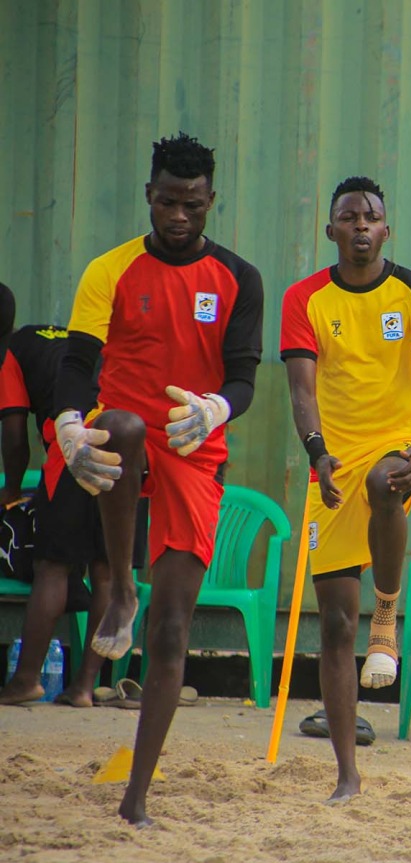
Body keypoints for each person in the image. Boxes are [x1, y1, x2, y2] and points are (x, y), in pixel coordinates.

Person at [53, 132, 263, 825]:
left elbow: (243, 376)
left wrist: (216, 408)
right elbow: (77, 363)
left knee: (172, 630)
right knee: (122, 423)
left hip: (193, 442)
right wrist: (67, 423)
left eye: (192, 205)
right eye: (168, 202)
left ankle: (136, 796)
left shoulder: (238, 277)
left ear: (211, 202)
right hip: (122, 436)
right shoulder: (110, 269)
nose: (178, 216)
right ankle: (120, 585)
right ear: (149, 194)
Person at [280, 176, 411, 803]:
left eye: (370, 216)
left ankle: (386, 613)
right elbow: (302, 390)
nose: (360, 225)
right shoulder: (304, 298)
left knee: (386, 482)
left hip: (400, 444)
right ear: (331, 230)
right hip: (332, 460)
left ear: (386, 230)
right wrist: (316, 452)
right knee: (332, 624)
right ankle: (347, 774)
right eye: (348, 217)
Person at [0, 283, 112, 707]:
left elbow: (14, 436)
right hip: (124, 444)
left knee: (52, 567)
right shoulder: (50, 338)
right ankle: (83, 687)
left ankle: (26, 680)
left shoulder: (10, 353)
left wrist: (11, 489)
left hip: (74, 450)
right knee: (106, 570)